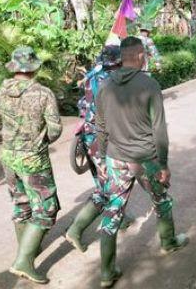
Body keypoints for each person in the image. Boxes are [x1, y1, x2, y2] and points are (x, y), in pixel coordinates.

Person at [95, 36, 188, 288]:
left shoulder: (104, 85)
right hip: (145, 158)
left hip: (115, 157)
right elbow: (159, 129)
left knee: (113, 210)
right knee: (162, 200)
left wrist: (102, 157)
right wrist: (164, 164)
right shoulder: (149, 84)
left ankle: (106, 272)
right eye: (144, 54)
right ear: (139, 56)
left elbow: (100, 126)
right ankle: (168, 242)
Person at [0, 46, 62, 284]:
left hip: (9, 158)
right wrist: (39, 140)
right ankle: (23, 261)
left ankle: (27, 249)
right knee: (46, 209)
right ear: (34, 68)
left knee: (21, 205)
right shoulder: (43, 94)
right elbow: (55, 129)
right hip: (34, 160)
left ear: (14, 67)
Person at [66, 45, 132, 252]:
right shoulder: (116, 81)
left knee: (106, 180)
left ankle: (120, 218)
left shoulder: (92, 75)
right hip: (106, 140)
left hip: (89, 136)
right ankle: (75, 230)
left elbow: (83, 105)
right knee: (108, 187)